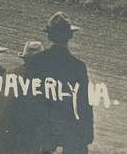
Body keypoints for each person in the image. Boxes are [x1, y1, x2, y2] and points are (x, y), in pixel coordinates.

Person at [26, 13, 93, 154]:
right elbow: (84, 101)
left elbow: (29, 95)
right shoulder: (78, 66)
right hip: (68, 123)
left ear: (49, 36)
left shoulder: (36, 60)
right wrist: (87, 132)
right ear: (70, 36)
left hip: (42, 122)